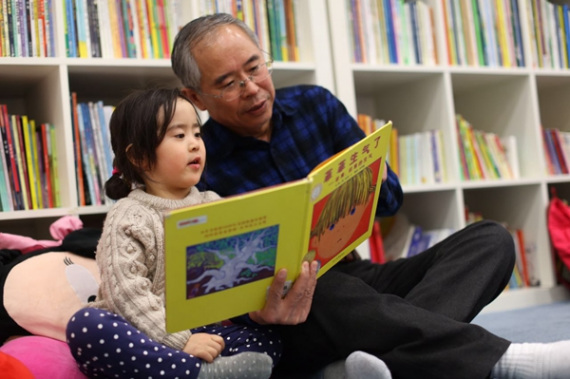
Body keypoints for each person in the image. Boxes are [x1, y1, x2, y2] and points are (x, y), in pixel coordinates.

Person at [167, 13, 570, 379]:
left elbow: (391, 198)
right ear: (197, 98)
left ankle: (382, 364)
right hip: (292, 312)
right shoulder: (197, 161)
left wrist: (354, 190)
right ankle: (508, 362)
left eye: (255, 68)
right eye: (228, 84)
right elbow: (210, 289)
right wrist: (257, 313)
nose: (252, 89)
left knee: (490, 240)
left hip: (359, 272)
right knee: (321, 286)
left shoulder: (315, 104)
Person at [65, 88, 281, 379]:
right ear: (140, 156)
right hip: (142, 335)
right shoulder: (129, 215)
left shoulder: (213, 203)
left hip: (206, 332)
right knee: (86, 325)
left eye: (196, 133)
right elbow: (126, 294)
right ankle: (202, 374)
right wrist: (180, 340)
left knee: (269, 340)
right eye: (179, 136)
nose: (194, 144)